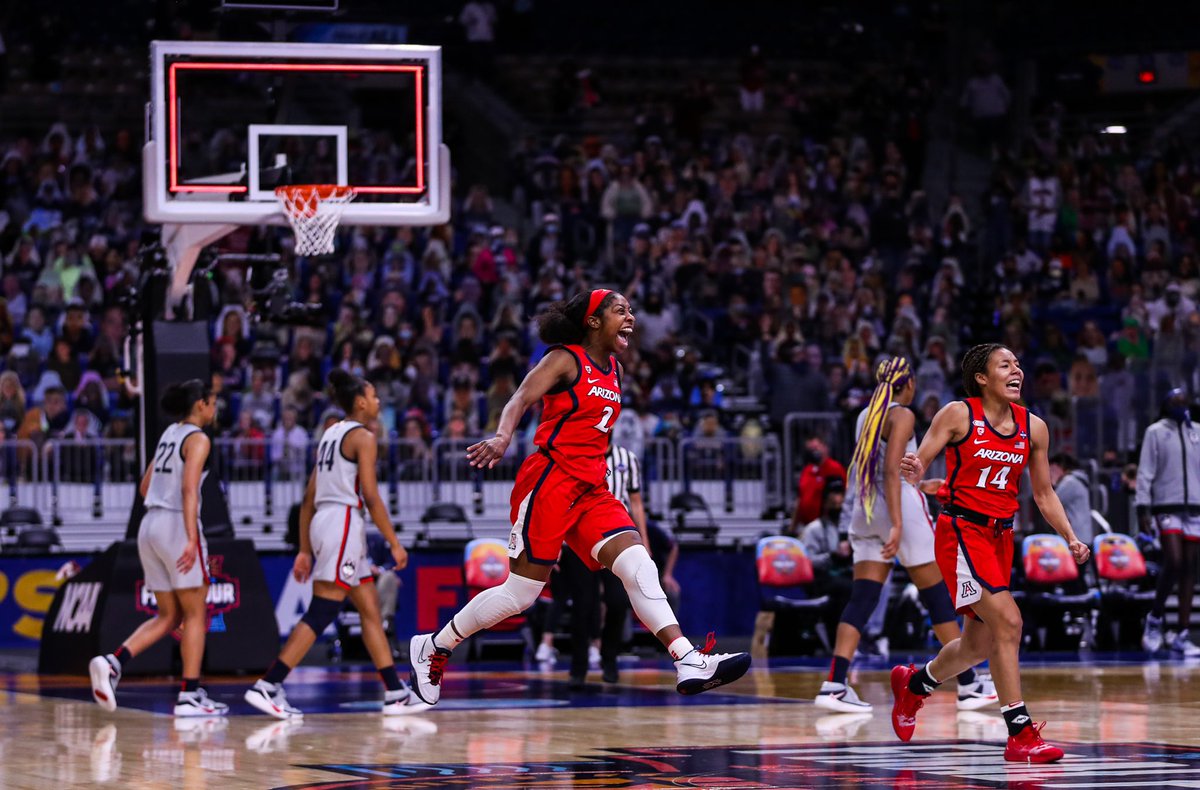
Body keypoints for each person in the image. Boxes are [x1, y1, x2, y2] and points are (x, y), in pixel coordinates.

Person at [407, 289, 750, 705]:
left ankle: (687, 659)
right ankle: (435, 646)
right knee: (520, 594)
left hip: (592, 488)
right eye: (620, 310)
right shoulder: (564, 359)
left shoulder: (615, 370)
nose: (631, 317)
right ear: (593, 321)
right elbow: (520, 398)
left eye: (631, 311)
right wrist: (502, 437)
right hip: (550, 481)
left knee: (640, 566)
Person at [893, 344, 1090, 763]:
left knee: (976, 647)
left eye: (1018, 364)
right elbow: (920, 461)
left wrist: (1070, 536)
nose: (1016, 370)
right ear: (982, 378)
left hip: (1001, 538)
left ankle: (913, 686)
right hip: (961, 532)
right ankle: (1020, 734)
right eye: (1005, 365)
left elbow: (1043, 493)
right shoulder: (958, 414)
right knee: (1010, 621)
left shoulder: (1034, 427)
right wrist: (914, 469)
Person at [815, 357, 998, 715]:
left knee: (863, 598)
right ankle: (968, 684)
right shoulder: (903, 415)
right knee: (937, 597)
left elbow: (880, 471)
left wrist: (920, 486)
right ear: (909, 383)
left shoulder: (865, 415)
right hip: (898, 509)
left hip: (866, 509)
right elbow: (890, 471)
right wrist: (898, 523)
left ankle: (834, 685)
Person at [244, 369, 424, 719]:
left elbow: (308, 498)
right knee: (323, 610)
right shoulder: (363, 437)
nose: (377, 401)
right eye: (373, 395)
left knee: (370, 608)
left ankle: (394, 693)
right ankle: (269, 684)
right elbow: (371, 496)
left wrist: (304, 548)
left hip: (327, 523)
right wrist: (394, 543)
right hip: (342, 523)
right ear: (360, 402)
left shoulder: (329, 434)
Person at [88, 380, 228, 717]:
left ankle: (113, 662)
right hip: (176, 524)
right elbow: (189, 489)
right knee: (195, 613)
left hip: (149, 525)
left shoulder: (170, 433)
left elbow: (145, 486)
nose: (215, 408)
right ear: (200, 404)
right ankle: (190, 695)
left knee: (169, 615)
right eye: (212, 402)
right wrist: (191, 538)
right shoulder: (198, 438)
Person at [1137, 388, 1200, 656]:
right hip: (1166, 504)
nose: (1180, 404)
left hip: (1195, 506)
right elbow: (1145, 471)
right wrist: (1142, 507)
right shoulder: (1155, 432)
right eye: (1175, 400)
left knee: (1190, 569)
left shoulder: (1197, 432)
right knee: (1174, 561)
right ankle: (1155, 617)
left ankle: (1182, 634)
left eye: (1184, 400)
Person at [788, 435, 846, 535]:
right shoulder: (807, 470)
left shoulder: (835, 468)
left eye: (816, 448)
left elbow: (842, 497)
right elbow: (800, 500)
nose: (813, 452)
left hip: (827, 527)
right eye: (810, 449)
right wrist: (792, 528)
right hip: (806, 527)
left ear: (825, 447)